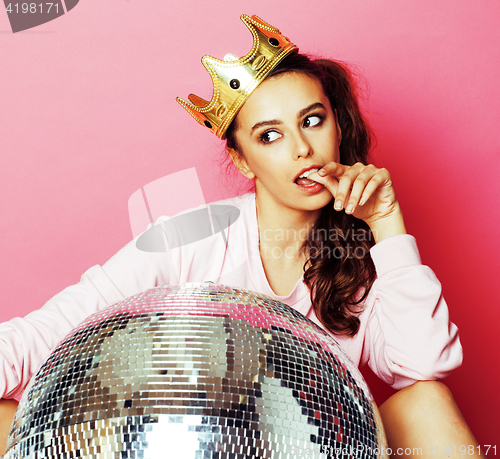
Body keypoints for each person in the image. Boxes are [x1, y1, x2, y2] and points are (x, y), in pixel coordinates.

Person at [0, 14, 483, 458]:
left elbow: (424, 366)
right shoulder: (191, 236)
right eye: (269, 135)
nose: (301, 149)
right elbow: (41, 337)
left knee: (426, 401)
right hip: (181, 447)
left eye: (312, 120)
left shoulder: (361, 253)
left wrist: (387, 222)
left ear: (337, 127)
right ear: (242, 159)